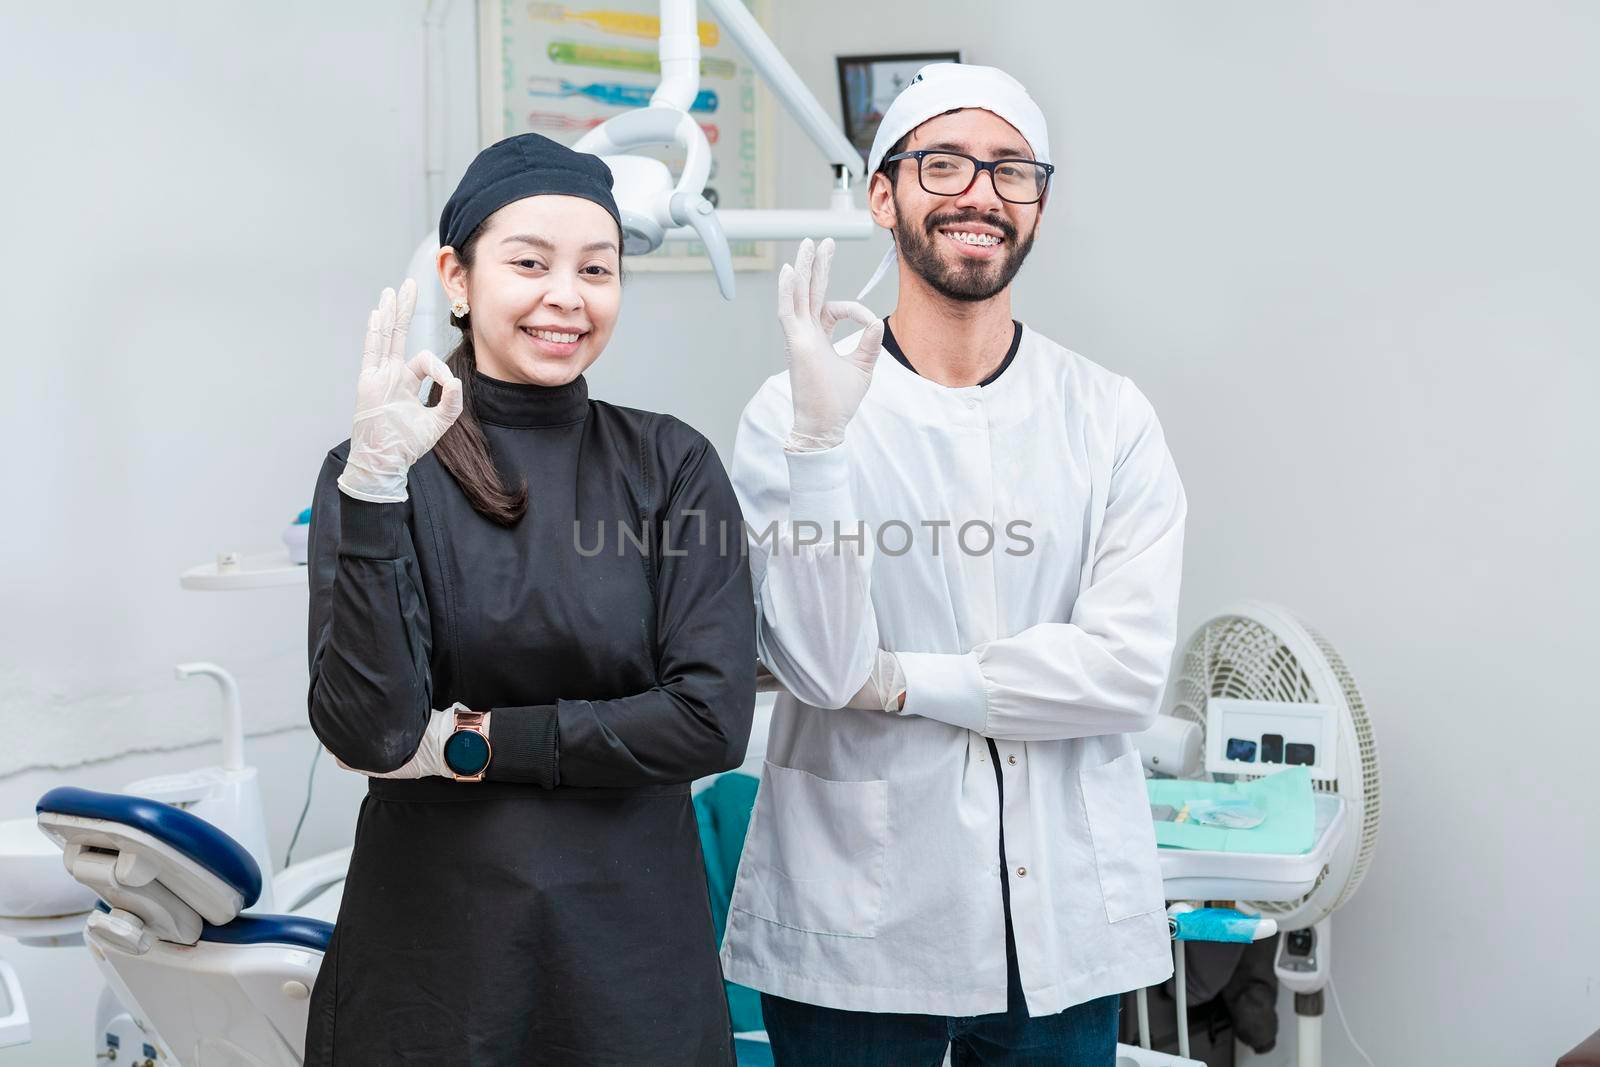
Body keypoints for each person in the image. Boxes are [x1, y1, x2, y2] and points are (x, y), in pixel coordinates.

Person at [721, 63, 1187, 1065]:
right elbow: (820, 663)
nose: (979, 191)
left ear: (1037, 204)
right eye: (943, 163)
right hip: (863, 930)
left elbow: (1124, 670)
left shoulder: (1108, 415)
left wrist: (904, 680)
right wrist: (817, 450)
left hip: (1058, 928)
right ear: (883, 195)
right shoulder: (793, 410)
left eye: (1009, 169)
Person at [304, 133, 755, 1066]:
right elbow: (374, 734)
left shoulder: (672, 465)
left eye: (597, 268)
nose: (568, 295)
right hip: (434, 963)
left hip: (633, 957)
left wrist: (473, 738)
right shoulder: (380, 471)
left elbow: (710, 721)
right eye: (529, 263)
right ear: (456, 278)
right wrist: (378, 496)